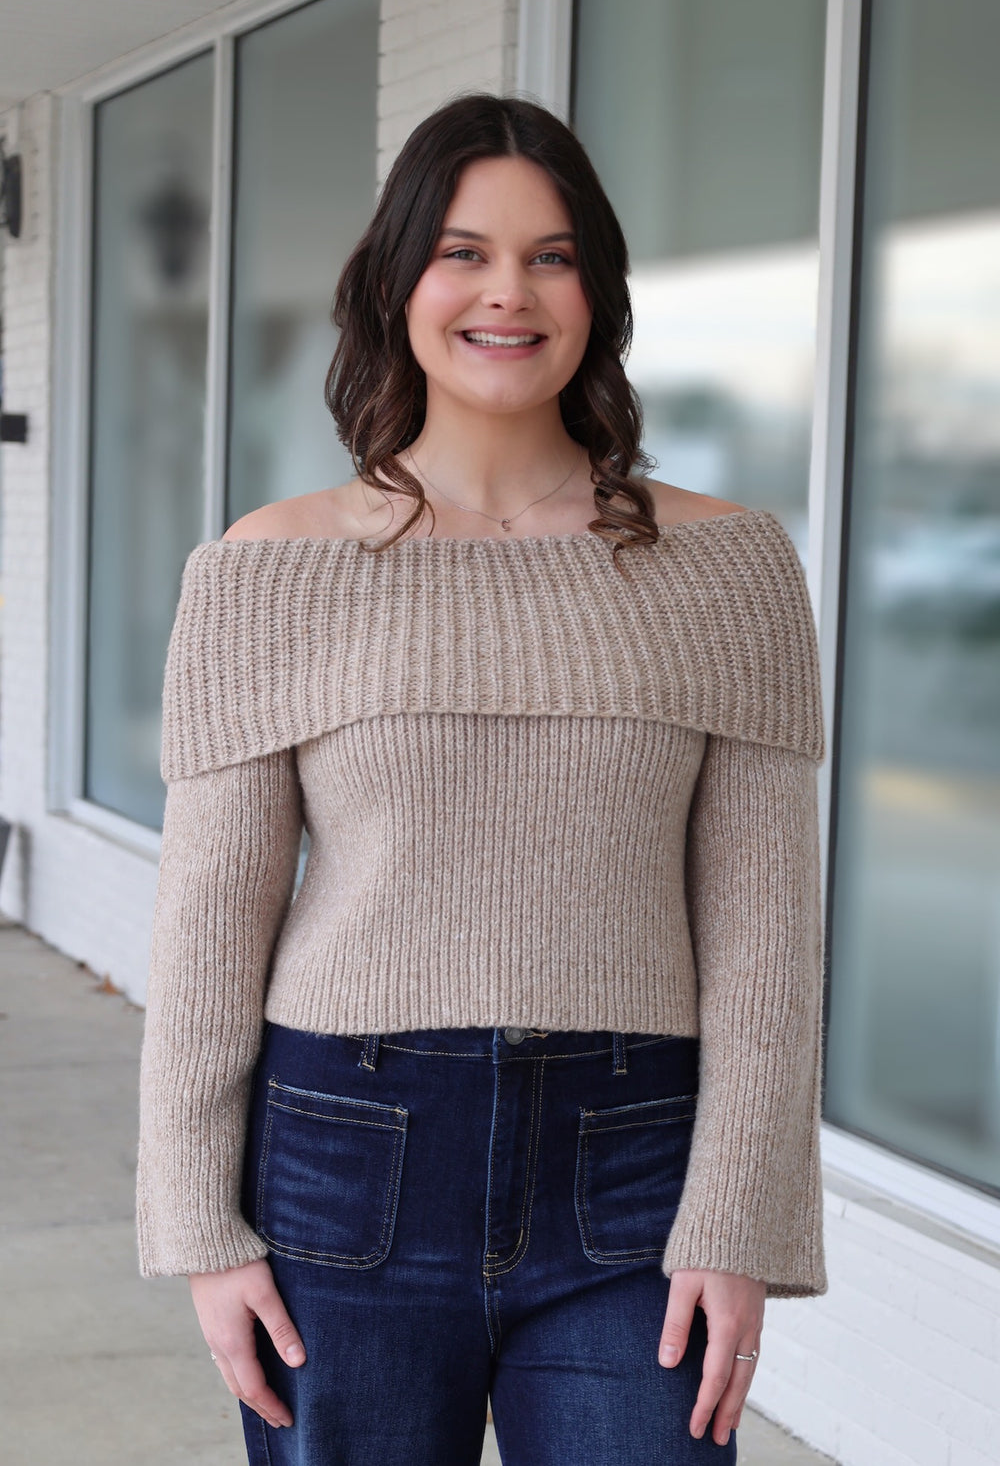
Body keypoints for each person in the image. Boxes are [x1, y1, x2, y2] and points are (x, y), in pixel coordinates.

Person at [136, 92, 827, 1465]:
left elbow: (765, 937)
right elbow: (210, 927)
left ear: (597, 293)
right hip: (347, 1156)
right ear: (398, 282)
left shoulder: (730, 568)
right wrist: (200, 1229)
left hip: (637, 1166)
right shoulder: (266, 571)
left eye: (550, 256)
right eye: (464, 253)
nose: (508, 291)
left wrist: (739, 1219)